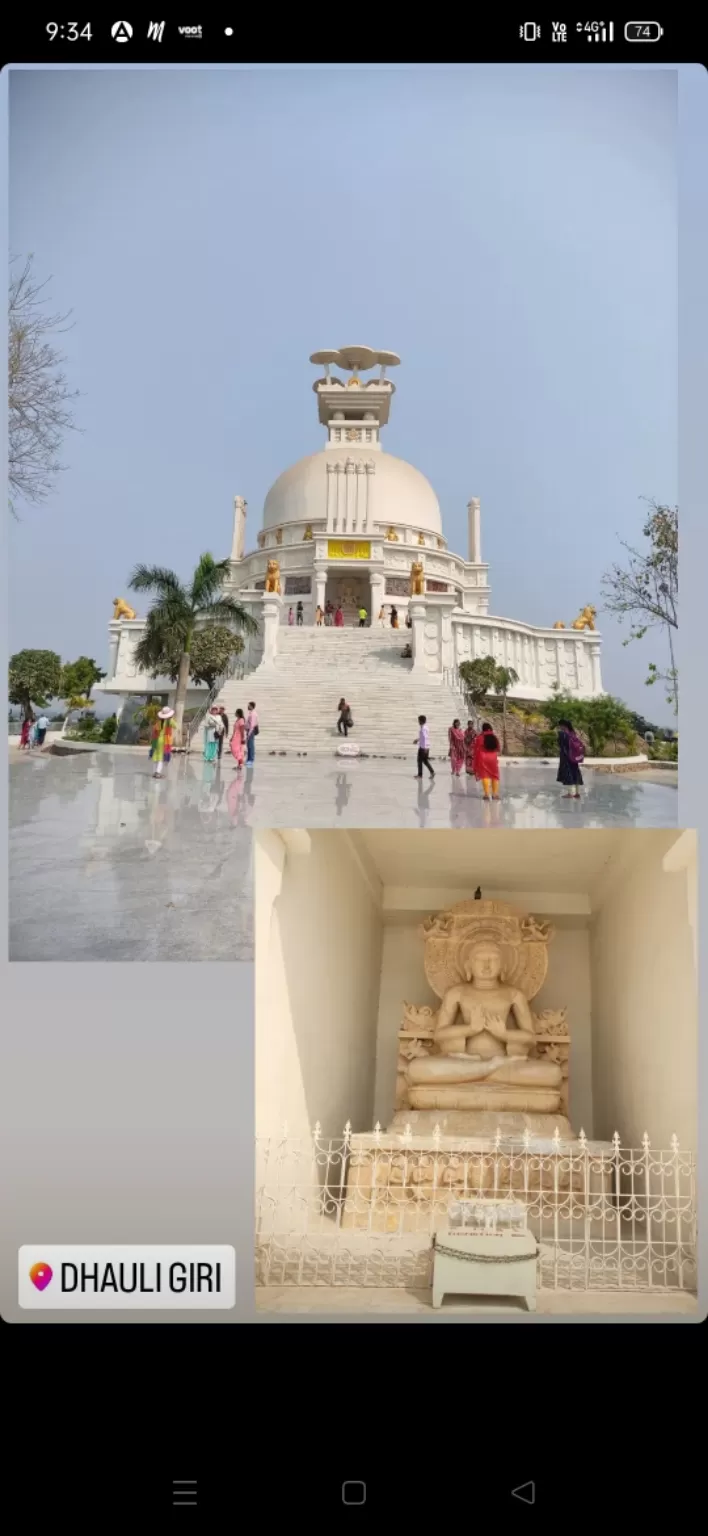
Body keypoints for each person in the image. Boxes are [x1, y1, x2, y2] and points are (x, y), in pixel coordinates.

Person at [557, 717, 585, 799]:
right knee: (575, 773)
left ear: (563, 725)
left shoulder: (562, 734)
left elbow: (560, 745)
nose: (559, 727)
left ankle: (569, 793)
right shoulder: (573, 733)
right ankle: (577, 793)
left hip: (566, 757)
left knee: (568, 774)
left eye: (560, 725)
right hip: (574, 757)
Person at [473, 721, 501, 801]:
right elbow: (498, 748)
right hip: (493, 759)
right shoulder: (494, 737)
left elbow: (475, 749)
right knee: (494, 775)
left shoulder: (479, 737)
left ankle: (486, 794)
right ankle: (495, 794)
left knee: (485, 776)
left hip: (483, 758)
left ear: (483, 729)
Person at [149, 707, 174, 778]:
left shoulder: (158, 722)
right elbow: (175, 725)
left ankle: (154, 772)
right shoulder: (169, 722)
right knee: (161, 757)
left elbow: (154, 731)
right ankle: (158, 772)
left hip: (156, 741)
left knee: (155, 756)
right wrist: (171, 719)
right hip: (164, 741)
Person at [414, 714, 435, 779]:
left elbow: (425, 738)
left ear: (421, 721)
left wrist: (425, 748)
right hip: (424, 747)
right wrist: (417, 740)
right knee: (425, 761)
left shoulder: (423, 728)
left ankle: (420, 775)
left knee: (419, 760)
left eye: (419, 720)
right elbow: (423, 737)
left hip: (423, 747)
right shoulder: (425, 727)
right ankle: (432, 772)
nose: (418, 722)